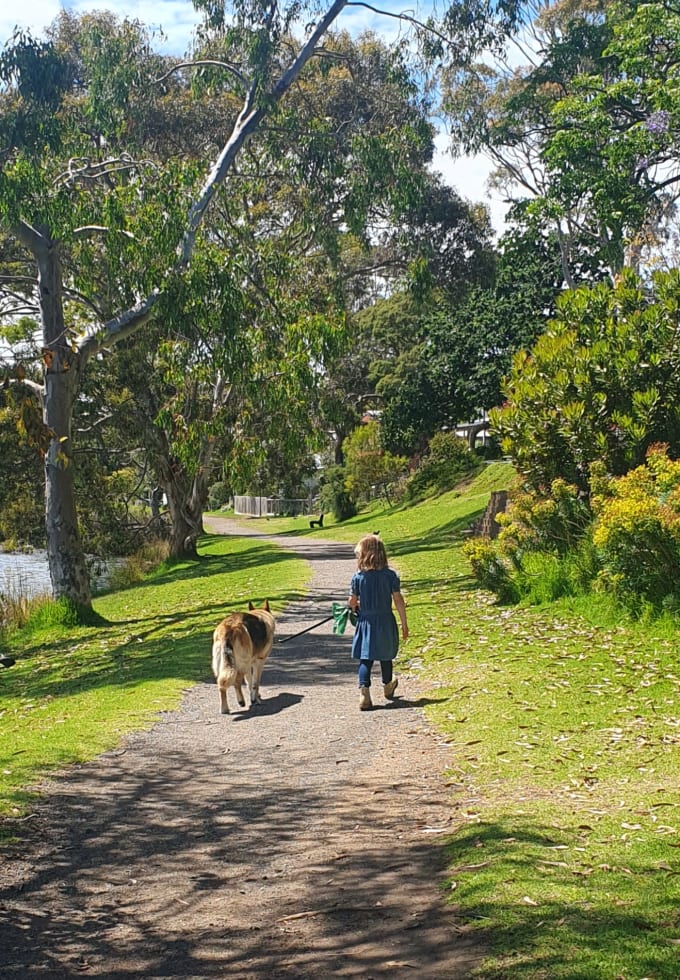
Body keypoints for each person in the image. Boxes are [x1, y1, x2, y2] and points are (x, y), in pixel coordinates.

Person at [348, 534, 409, 711]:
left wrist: (354, 606)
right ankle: (388, 685)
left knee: (365, 659)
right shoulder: (390, 576)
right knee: (386, 656)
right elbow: (398, 600)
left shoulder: (358, 577)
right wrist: (404, 624)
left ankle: (364, 692)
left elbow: (352, 601)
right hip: (384, 620)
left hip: (366, 622)